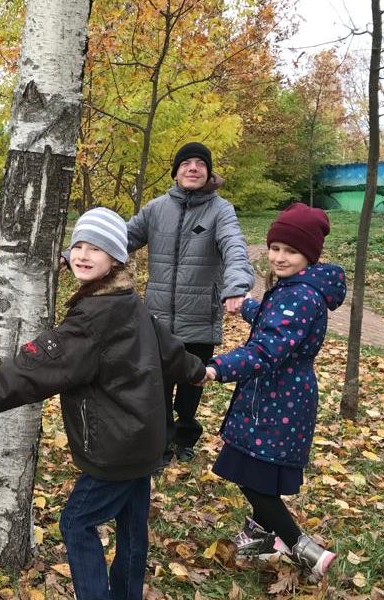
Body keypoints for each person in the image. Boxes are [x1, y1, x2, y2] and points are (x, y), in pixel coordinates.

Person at [0, 208, 207, 600]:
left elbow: (31, 369)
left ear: (117, 258)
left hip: (116, 448)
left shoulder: (91, 320)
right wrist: (198, 371)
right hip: (146, 439)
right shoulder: (129, 301)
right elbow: (171, 349)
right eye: (79, 245)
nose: (83, 254)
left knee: (76, 522)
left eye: (97, 248)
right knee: (132, 527)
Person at [203, 203, 346, 579]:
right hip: (276, 397)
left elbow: (268, 348)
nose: (280, 257)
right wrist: (246, 306)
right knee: (259, 471)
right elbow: (275, 318)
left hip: (277, 399)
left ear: (308, 256)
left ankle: (306, 551)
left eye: (291, 251)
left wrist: (218, 368)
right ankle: (261, 538)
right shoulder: (296, 288)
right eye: (276, 248)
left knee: (253, 478)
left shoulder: (301, 295)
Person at [126, 141, 255, 469]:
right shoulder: (156, 209)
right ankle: (160, 444)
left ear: (209, 172)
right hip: (157, 318)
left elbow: (234, 246)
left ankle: (185, 435)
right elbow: (120, 239)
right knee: (157, 387)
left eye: (200, 163)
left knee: (190, 386)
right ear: (176, 171)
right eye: (186, 163)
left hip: (199, 316)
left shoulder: (220, 210)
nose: (193, 168)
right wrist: (77, 253)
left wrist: (236, 285)